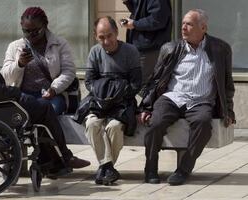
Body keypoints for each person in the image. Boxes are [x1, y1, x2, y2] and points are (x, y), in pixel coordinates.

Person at [0, 20, 90, 176]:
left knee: (42, 107)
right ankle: (61, 157)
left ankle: (49, 159)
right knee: (44, 108)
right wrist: (16, 90)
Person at [138, 9, 235, 186]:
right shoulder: (170, 48)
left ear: (203, 27)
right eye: (183, 23)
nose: (183, 27)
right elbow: (156, 79)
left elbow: (227, 83)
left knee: (204, 124)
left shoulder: (220, 49)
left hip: (201, 100)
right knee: (156, 123)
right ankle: (151, 169)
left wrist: (229, 109)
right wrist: (146, 107)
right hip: (172, 97)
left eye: (189, 24)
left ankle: (183, 170)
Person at [84, 16, 141, 185]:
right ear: (96, 36)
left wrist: (116, 95)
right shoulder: (95, 52)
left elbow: (136, 84)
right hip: (99, 102)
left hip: (123, 103)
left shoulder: (131, 51)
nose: (106, 41)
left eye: (109, 35)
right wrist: (103, 95)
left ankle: (104, 168)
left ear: (117, 33)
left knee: (114, 127)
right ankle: (108, 168)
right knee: (92, 124)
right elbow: (88, 82)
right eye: (101, 37)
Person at [2, 7, 76, 115]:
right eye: (26, 31)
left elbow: (68, 71)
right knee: (18, 116)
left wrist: (54, 89)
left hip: (51, 95)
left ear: (45, 26)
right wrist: (19, 64)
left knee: (49, 112)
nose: (31, 35)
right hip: (23, 96)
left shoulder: (60, 44)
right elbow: (5, 77)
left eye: (36, 31)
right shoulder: (14, 47)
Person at [121, 0, 172, 87]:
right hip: (140, 48)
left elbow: (157, 19)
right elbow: (139, 12)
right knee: (139, 83)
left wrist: (135, 24)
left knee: (144, 85)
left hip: (150, 49)